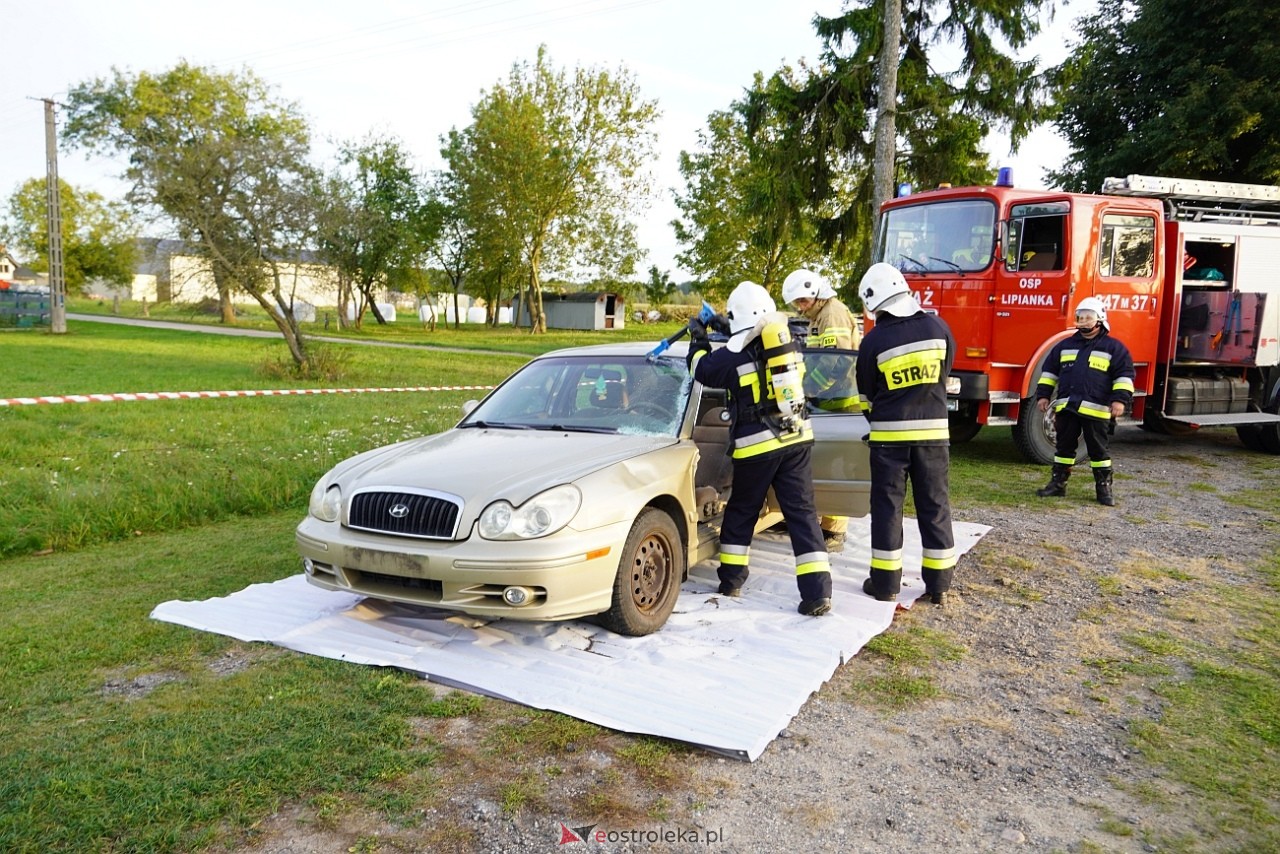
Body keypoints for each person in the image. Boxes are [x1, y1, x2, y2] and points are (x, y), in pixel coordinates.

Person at [688, 281, 834, 617]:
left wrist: (699, 340)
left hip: (756, 448)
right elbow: (755, 342)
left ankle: (732, 581)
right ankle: (818, 594)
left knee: (742, 511)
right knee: (802, 515)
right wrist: (730, 327)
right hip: (795, 438)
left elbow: (701, 369)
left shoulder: (730, 357)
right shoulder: (789, 343)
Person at [855, 263, 958, 605]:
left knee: (888, 509)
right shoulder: (938, 328)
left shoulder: (874, 341)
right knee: (935, 505)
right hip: (933, 438)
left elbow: (866, 396)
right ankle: (939, 585)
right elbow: (944, 375)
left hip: (889, 440)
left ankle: (885, 585)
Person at [782, 268, 861, 552]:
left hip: (839, 398)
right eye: (797, 303)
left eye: (803, 301)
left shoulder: (832, 314)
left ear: (816, 294)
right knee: (818, 461)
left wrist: (810, 389)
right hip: (825, 397)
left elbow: (836, 361)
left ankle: (834, 530)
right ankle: (818, 519)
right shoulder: (819, 316)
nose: (800, 307)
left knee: (836, 465)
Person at [1034, 297, 1135, 506]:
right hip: (1067, 407)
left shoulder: (1114, 348)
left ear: (1100, 319)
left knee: (1098, 451)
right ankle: (1058, 484)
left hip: (1096, 411)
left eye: (1088, 317)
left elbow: (1124, 376)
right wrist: (1043, 395)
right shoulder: (1065, 345)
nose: (1083, 321)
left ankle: (1104, 488)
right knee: (1063, 448)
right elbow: (1049, 372)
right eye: (1080, 317)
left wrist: (1119, 400)